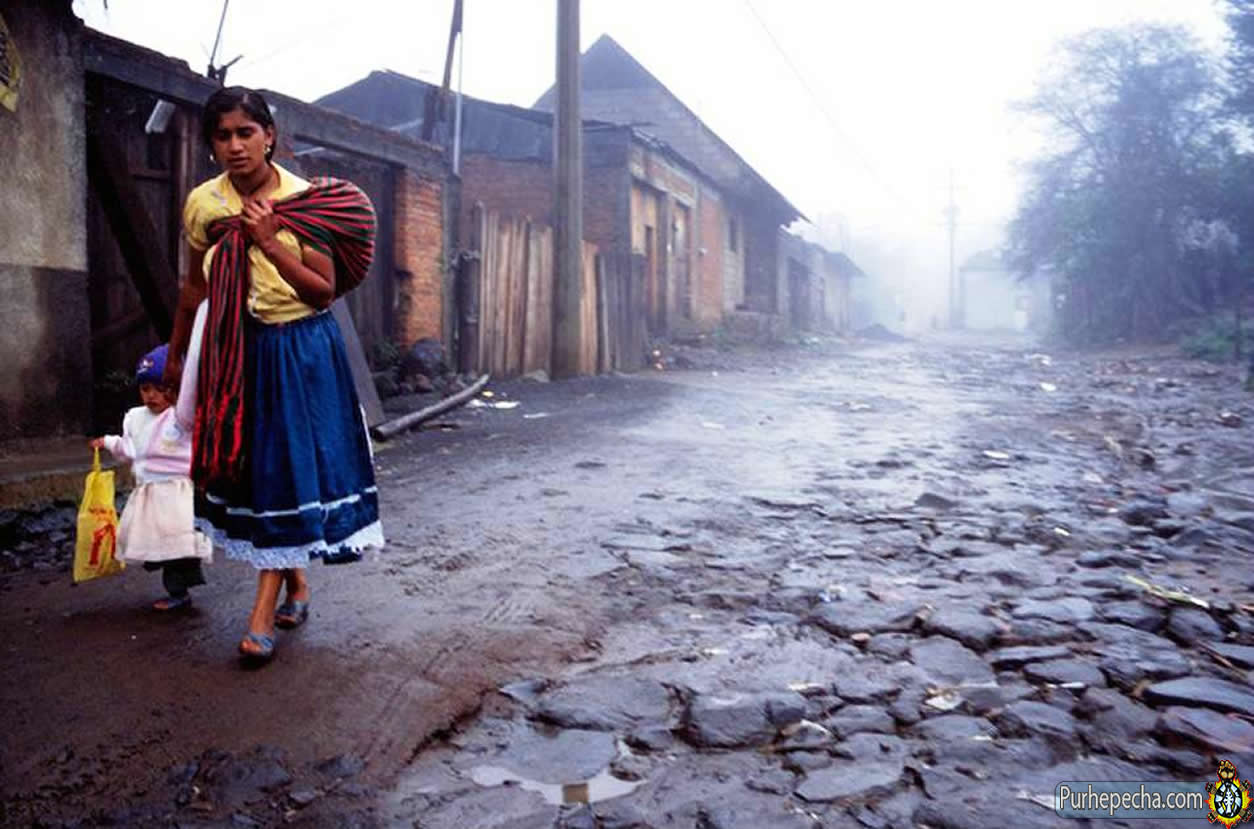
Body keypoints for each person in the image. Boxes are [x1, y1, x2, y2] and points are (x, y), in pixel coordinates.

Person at [165, 86, 383, 664]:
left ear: (270, 137)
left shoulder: (302, 201)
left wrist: (266, 242)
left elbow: (322, 292)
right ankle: (297, 583)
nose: (235, 146)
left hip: (298, 349)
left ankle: (261, 614)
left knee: (284, 472)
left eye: (246, 133)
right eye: (223, 135)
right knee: (260, 476)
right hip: (235, 349)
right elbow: (195, 285)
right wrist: (176, 351)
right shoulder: (203, 205)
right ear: (212, 144)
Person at [91, 344, 211, 610]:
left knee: (176, 544)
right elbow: (129, 449)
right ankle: (177, 586)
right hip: (149, 493)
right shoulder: (136, 418)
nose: (152, 396)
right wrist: (109, 443)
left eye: (160, 389)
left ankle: (179, 591)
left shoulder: (181, 417)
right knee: (156, 543)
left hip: (178, 492)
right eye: (146, 389)